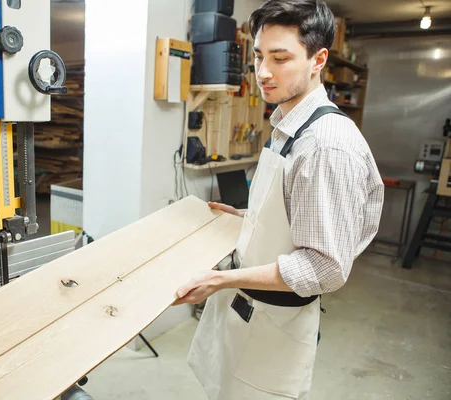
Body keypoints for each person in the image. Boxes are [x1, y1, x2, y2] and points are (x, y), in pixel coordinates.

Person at [173, 1, 385, 399]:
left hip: (275, 324)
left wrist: (220, 279)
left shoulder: (326, 146)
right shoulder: (288, 123)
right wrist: (245, 218)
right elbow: (293, 215)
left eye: (281, 58)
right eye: (258, 56)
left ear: (318, 59)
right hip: (246, 311)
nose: (264, 72)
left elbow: (324, 268)